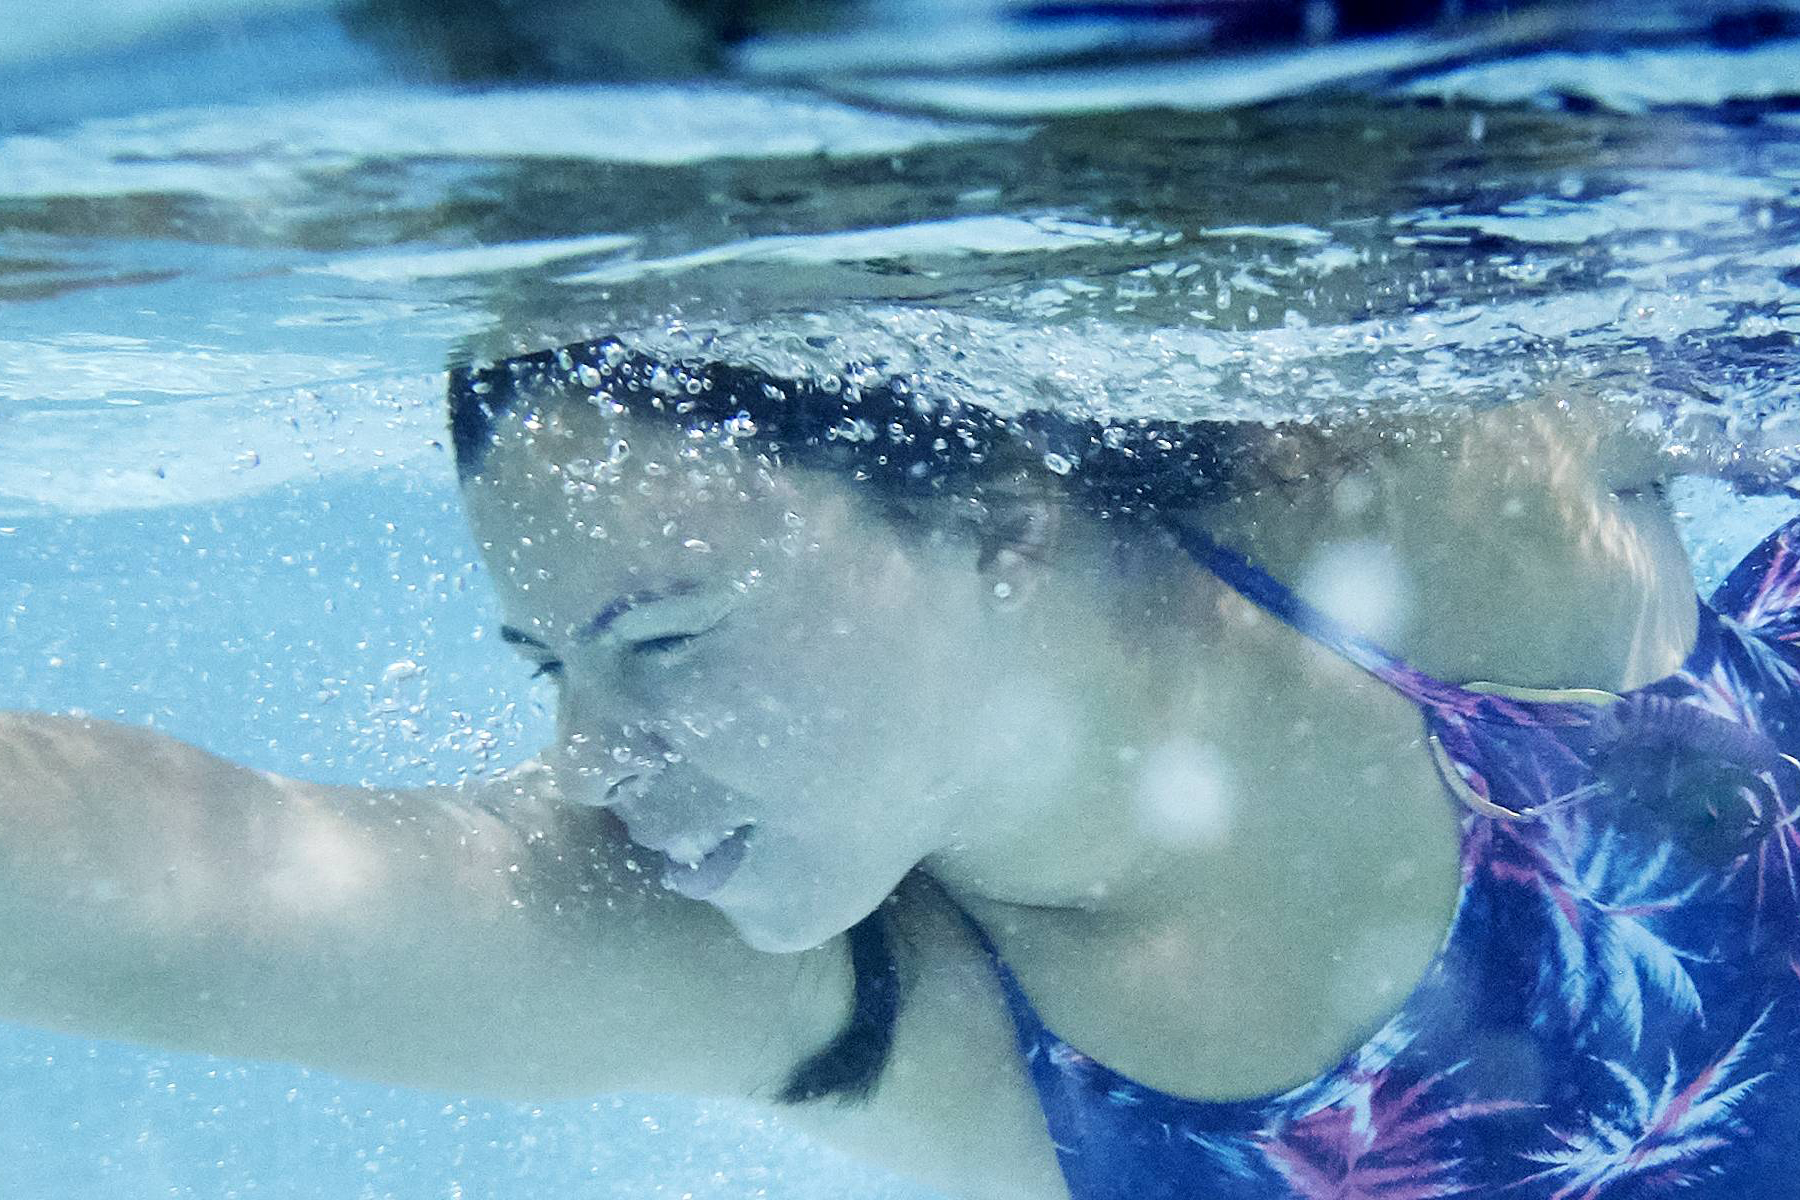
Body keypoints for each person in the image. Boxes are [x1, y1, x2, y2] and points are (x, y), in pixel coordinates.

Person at [1, 335, 1796, 1200]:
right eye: (555, 667)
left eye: (666, 637)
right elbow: (205, 894)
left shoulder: (1407, 490)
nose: (600, 764)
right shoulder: (863, 995)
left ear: (1000, 514)